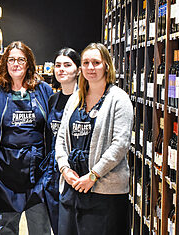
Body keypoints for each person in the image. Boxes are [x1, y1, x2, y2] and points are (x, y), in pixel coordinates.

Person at [55, 43, 132, 235]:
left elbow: (120, 144)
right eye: (86, 63)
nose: (91, 67)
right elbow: (61, 138)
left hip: (105, 192)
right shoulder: (75, 98)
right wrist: (64, 169)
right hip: (72, 188)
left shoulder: (119, 99)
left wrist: (93, 175)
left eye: (96, 62)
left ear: (106, 65)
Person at [0, 41, 53, 235]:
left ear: (29, 63)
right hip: (5, 170)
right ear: (5, 63)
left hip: (37, 169)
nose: (16, 64)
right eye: (11, 60)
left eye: (21, 59)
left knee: (40, 228)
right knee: (6, 229)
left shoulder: (43, 90)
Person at [41, 48, 81, 235]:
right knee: (57, 225)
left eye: (67, 65)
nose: (61, 69)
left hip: (74, 171)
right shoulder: (52, 100)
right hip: (52, 171)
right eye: (58, 65)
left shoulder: (84, 99)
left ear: (78, 70)